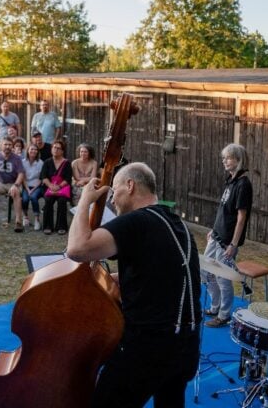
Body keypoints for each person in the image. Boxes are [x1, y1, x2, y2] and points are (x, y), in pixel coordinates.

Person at [66, 163, 201, 408]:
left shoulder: (136, 221)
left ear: (130, 186)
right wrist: (114, 279)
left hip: (147, 349)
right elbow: (159, 272)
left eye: (114, 190)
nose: (112, 200)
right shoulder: (176, 223)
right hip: (186, 346)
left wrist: (85, 200)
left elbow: (76, 249)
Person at [204, 143, 253, 328]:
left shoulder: (243, 184)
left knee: (223, 278)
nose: (224, 161)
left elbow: (242, 217)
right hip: (216, 236)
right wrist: (213, 229)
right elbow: (223, 210)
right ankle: (214, 306)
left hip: (227, 242)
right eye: (224, 157)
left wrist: (233, 244)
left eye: (229, 158)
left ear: (238, 160)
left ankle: (224, 315)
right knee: (206, 272)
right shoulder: (230, 181)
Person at [40, 139, 73, 235]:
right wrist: (50, 186)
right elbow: (43, 176)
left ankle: (61, 226)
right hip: (50, 188)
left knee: (62, 201)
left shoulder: (67, 163)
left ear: (62, 151)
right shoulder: (47, 162)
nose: (56, 150)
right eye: (54, 147)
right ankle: (47, 226)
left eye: (58, 148)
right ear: (51, 149)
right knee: (48, 200)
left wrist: (58, 187)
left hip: (63, 189)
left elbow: (68, 178)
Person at [21, 144, 44, 230]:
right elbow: (22, 177)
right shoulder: (23, 162)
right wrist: (27, 189)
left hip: (37, 186)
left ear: (37, 152)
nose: (33, 151)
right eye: (31, 149)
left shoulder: (40, 163)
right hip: (26, 185)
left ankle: (37, 220)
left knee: (34, 197)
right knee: (25, 199)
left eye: (35, 150)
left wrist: (33, 189)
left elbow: (41, 179)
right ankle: (25, 217)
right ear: (28, 151)